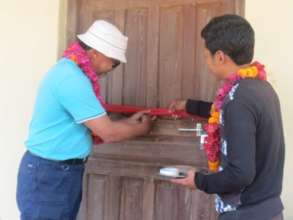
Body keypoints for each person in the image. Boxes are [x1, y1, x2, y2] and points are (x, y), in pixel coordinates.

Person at [16, 20, 153, 220]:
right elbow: (108, 132)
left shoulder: (70, 72)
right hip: (50, 174)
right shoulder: (72, 79)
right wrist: (141, 129)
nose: (112, 69)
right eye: (113, 63)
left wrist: (130, 123)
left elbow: (99, 123)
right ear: (95, 52)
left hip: (56, 172)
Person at [169, 15, 285, 220]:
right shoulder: (260, 88)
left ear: (220, 56)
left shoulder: (238, 99)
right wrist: (188, 105)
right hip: (267, 210)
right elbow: (223, 112)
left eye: (206, 56)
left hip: (246, 214)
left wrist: (198, 181)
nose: (206, 62)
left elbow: (240, 175)